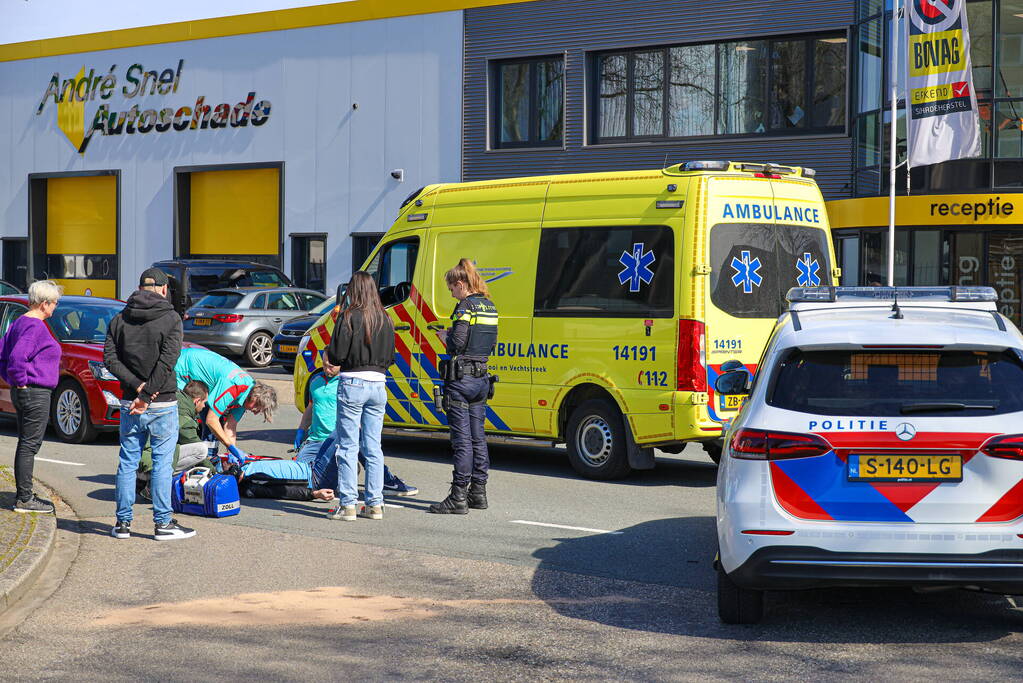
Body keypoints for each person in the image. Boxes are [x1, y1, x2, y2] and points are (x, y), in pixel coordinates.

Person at [104, 268, 194, 541]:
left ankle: (122, 524)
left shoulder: (120, 318)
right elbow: (168, 362)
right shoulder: (171, 318)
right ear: (164, 290)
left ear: (140, 287)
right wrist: (148, 393)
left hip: (130, 401)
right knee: (162, 463)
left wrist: (138, 388)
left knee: (127, 462)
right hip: (162, 402)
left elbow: (110, 359)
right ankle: (163, 523)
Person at [429, 258, 498, 515]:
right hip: (481, 379)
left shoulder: (464, 307)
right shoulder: (490, 306)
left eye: (451, 289)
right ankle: (478, 492)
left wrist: (445, 336)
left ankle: (458, 496)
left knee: (462, 441)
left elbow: (457, 342)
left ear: (461, 284)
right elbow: (490, 344)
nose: (451, 293)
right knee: (478, 438)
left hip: (461, 381)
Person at [296, 351, 417, 496]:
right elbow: (311, 406)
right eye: (324, 365)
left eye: (331, 366)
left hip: (336, 440)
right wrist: (301, 431)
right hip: (314, 441)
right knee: (301, 479)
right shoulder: (315, 380)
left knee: (359, 442)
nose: (327, 369)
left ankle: (386, 480)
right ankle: (343, 474)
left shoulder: (348, 383)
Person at [325, 271, 394, 521]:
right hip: (379, 384)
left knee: (348, 446)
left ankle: (348, 505)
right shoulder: (385, 318)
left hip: (353, 382)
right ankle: (375, 504)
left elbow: (336, 355)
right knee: (373, 446)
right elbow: (391, 357)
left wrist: (328, 355)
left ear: (352, 291)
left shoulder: (348, 317)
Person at [0, 280, 62, 513]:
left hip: (26, 391)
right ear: (44, 304)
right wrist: (22, 383)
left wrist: (14, 382)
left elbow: (2, 355)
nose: (55, 307)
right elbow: (15, 359)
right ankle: (25, 499)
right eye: (54, 303)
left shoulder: (19, 322)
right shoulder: (35, 326)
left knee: (26, 443)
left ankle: (24, 494)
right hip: (34, 392)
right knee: (29, 445)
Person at [174, 347, 278, 467]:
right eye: (257, 408)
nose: (255, 413)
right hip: (181, 368)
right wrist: (230, 447)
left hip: (199, 377)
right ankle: (193, 463)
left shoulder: (248, 394)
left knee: (213, 428)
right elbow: (211, 420)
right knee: (186, 417)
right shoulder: (235, 386)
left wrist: (232, 453)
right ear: (255, 398)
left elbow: (230, 425)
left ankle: (207, 462)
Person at [137, 380, 213, 501]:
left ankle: (142, 481)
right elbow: (193, 444)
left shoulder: (173, 399)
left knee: (173, 446)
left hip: (137, 459)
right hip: (149, 462)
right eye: (204, 402)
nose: (204, 406)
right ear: (197, 400)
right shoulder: (185, 416)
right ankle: (153, 484)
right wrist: (214, 472)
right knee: (201, 450)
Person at [230, 441, 336, 502]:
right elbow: (282, 492)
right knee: (343, 432)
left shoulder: (246, 469)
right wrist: (314, 494)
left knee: (336, 434)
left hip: (308, 465)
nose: (225, 464)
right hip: (315, 476)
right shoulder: (250, 484)